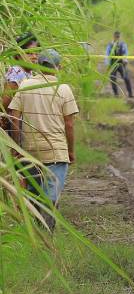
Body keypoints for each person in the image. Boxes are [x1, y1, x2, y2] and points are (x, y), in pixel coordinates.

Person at [6, 35, 79, 219]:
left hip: (30, 150)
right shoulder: (63, 89)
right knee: (51, 194)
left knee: (33, 191)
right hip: (56, 151)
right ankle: (46, 231)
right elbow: (69, 125)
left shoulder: (25, 85)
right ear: (58, 67)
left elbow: (14, 118)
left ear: (38, 63)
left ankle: (37, 230)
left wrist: (18, 146)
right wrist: (70, 151)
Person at [106, 30, 133, 97]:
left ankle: (130, 93)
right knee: (113, 79)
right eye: (116, 36)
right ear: (114, 36)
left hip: (121, 63)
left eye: (118, 36)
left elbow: (126, 52)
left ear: (119, 37)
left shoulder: (122, 44)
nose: (117, 38)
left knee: (126, 78)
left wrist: (125, 59)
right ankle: (116, 94)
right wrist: (108, 63)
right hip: (113, 64)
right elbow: (107, 54)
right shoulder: (110, 44)